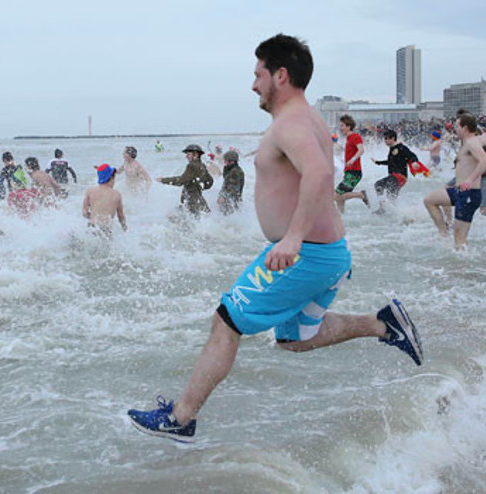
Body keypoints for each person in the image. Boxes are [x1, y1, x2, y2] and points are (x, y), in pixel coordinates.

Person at [127, 34, 423, 442]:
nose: (252, 85)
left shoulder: (292, 124)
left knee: (225, 320)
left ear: (280, 75)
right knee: (296, 338)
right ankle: (382, 324)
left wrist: (294, 238)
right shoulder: (308, 120)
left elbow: (319, 174)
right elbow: (316, 175)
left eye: (258, 74)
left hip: (306, 254)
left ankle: (181, 419)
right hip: (325, 252)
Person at [423, 113, 486, 250]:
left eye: (457, 126)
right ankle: (443, 232)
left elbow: (484, 161)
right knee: (429, 200)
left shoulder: (472, 142)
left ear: (464, 128)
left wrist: (470, 180)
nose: (455, 128)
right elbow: (485, 139)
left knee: (459, 240)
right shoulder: (470, 141)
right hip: (458, 191)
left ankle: (462, 267)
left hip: (469, 193)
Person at [157, 144, 214, 215]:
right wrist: (200, 187)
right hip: (200, 200)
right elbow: (210, 182)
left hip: (191, 202)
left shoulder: (192, 165)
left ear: (195, 155)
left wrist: (163, 180)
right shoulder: (202, 165)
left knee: (171, 217)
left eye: (188, 154)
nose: (186, 156)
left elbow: (181, 181)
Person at [371, 129, 419, 214]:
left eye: (387, 138)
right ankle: (402, 213)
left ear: (393, 138)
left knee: (378, 185)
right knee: (391, 198)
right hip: (396, 177)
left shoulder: (401, 147)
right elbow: (390, 162)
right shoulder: (392, 149)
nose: (385, 141)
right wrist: (378, 162)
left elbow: (412, 155)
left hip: (399, 176)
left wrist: (414, 162)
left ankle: (382, 208)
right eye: (384, 138)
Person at [333, 114, 369, 213]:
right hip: (349, 172)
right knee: (340, 198)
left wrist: (352, 160)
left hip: (354, 172)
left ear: (348, 126)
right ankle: (341, 217)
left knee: (336, 195)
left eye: (342, 126)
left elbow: (361, 150)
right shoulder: (348, 138)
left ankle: (361, 195)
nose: (341, 128)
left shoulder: (355, 136)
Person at [83, 164, 127, 237]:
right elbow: (121, 216)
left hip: (92, 227)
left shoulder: (90, 191)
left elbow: (84, 212)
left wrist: (92, 217)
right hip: (106, 229)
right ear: (111, 177)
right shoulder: (117, 194)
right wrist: (124, 227)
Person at [217, 149, 244, 215]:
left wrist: (223, 196)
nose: (224, 162)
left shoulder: (235, 172)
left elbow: (232, 187)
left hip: (231, 201)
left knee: (228, 216)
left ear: (231, 161)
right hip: (230, 200)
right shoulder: (231, 169)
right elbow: (226, 181)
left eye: (226, 160)